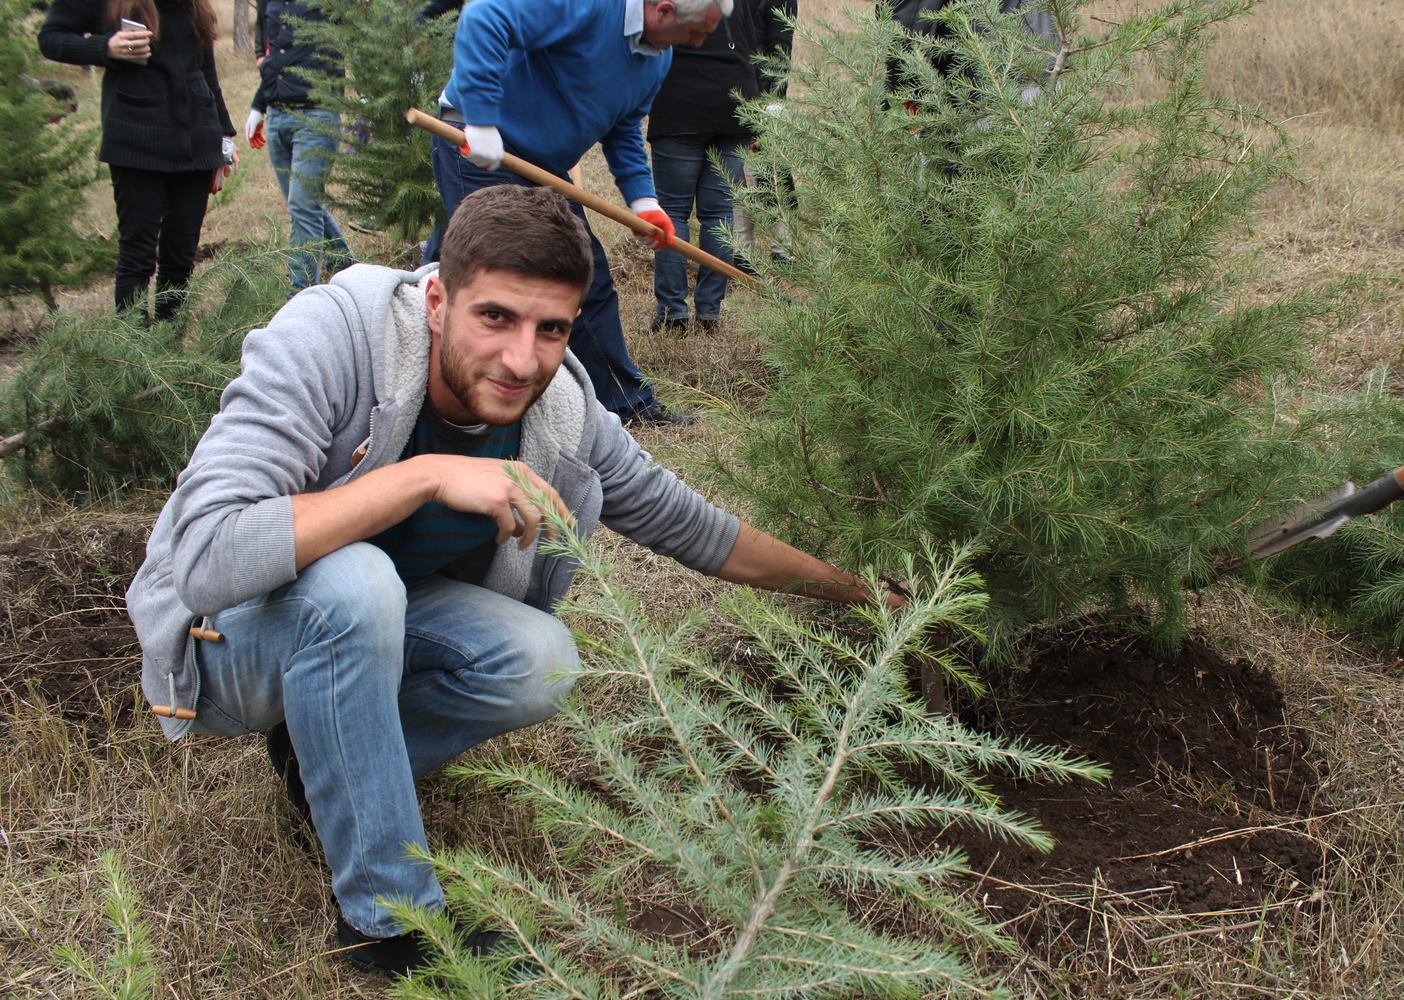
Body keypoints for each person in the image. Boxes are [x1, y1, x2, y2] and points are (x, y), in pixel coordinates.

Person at [125, 184, 900, 976]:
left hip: (372, 617)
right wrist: (424, 476)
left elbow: (691, 526)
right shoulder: (336, 338)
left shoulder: (559, 410)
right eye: (494, 316)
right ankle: (390, 924)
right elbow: (207, 553)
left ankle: (321, 763)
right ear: (437, 300)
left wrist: (860, 592)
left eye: (551, 328)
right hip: (227, 637)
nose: (522, 359)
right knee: (355, 583)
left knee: (541, 658)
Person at [430, 0, 735, 427]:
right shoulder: (590, 5)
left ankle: (626, 406)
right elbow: (486, 15)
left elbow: (624, 128)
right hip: (479, 147)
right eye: (698, 31)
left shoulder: (657, 58)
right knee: (489, 274)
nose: (700, 43)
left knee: (582, 274)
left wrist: (644, 202)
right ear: (664, 10)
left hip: (543, 167)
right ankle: (464, 406)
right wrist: (480, 119)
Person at [39, 0, 238, 320]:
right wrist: (105, 47)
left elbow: (205, 66)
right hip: (136, 141)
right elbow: (51, 38)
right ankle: (137, 347)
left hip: (197, 138)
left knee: (180, 259)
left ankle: (168, 343)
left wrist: (224, 134)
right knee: (137, 259)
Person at [646, 0, 793, 333]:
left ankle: (673, 313)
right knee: (718, 213)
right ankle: (709, 312)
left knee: (673, 211)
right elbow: (768, 37)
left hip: (681, 102)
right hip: (736, 97)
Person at [244, 0, 353, 297]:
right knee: (303, 205)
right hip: (277, 114)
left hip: (316, 114)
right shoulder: (270, 3)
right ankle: (346, 267)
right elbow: (275, 56)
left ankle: (300, 294)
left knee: (303, 205)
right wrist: (258, 105)